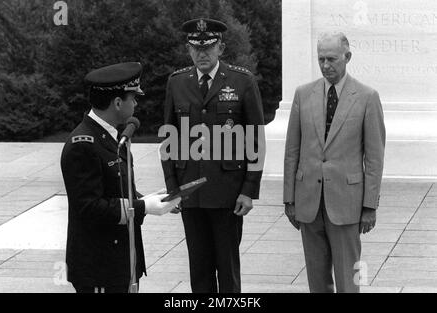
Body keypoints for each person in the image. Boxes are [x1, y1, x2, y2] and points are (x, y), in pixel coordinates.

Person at [161, 18, 265, 293]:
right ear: (188, 49)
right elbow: (169, 140)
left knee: (227, 269)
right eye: (196, 48)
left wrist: (249, 190)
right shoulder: (177, 82)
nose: (202, 53)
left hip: (227, 192)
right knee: (199, 269)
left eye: (208, 47)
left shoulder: (242, 81)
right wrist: (173, 190)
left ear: (221, 47)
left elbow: (255, 140)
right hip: (190, 191)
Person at [60, 62, 181, 293]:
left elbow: (113, 187)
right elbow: (88, 207)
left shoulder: (114, 136)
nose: (135, 103)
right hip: (98, 266)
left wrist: (150, 199)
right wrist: (142, 207)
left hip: (119, 260)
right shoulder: (83, 145)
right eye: (132, 98)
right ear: (117, 103)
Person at [283, 32, 386, 293]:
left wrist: (369, 206)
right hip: (308, 202)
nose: (326, 65)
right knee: (316, 279)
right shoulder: (302, 94)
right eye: (321, 59)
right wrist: (289, 199)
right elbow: (292, 150)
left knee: (350, 276)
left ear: (347, 57)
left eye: (331, 59)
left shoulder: (367, 97)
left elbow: (374, 158)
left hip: (347, 203)